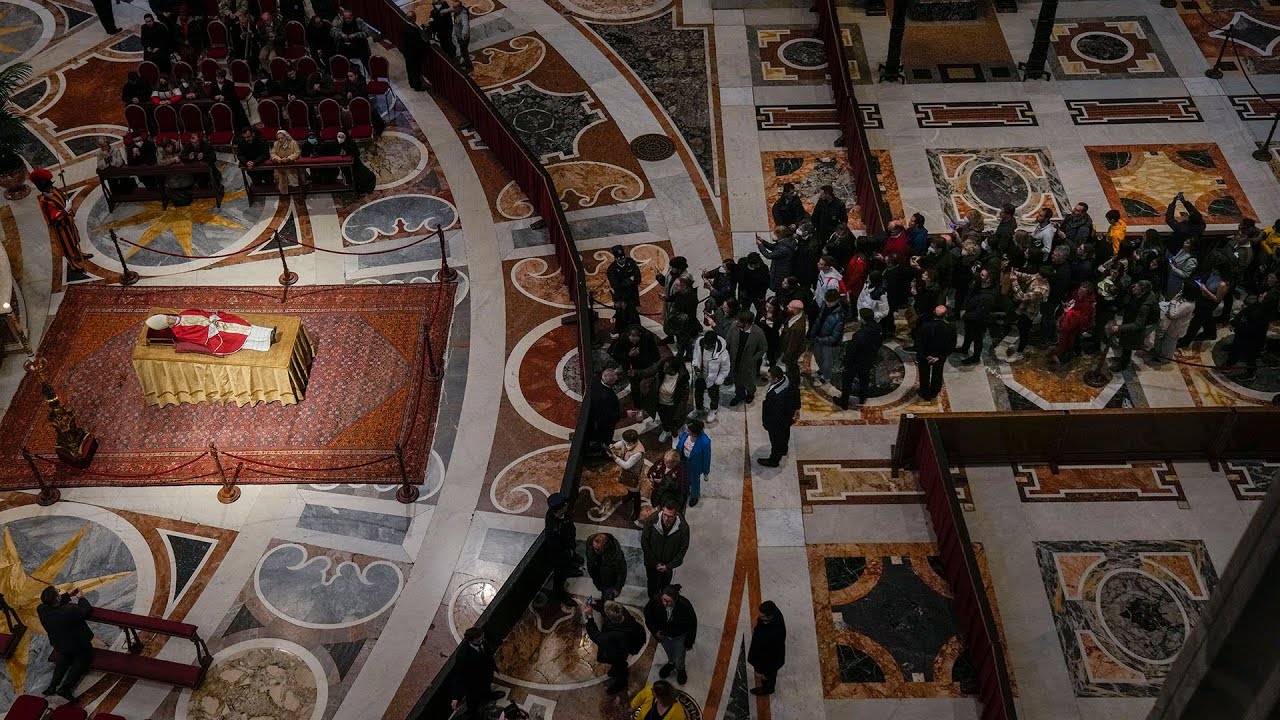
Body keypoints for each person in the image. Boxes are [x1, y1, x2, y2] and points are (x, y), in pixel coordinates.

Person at [31, 169, 92, 275]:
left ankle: (78, 253)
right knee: (66, 245)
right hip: (60, 228)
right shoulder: (44, 202)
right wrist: (65, 211)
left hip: (68, 222)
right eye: (48, 186)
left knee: (74, 239)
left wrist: (69, 208)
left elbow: (63, 198)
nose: (51, 188)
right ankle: (73, 263)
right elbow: (52, 219)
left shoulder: (54, 189)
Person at [38, 587, 93, 701]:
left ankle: (52, 686)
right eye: (58, 592)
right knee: (82, 660)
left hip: (59, 643)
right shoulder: (70, 610)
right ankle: (66, 688)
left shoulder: (41, 609)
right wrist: (81, 598)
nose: (59, 592)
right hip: (78, 644)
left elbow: (54, 606)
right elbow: (86, 610)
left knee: (64, 657)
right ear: (57, 597)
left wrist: (67, 596)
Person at [146, 310, 276, 355]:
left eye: (169, 316)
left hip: (215, 322)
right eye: (169, 321)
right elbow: (197, 337)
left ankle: (268, 332)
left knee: (241, 324)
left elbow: (201, 313)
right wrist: (212, 328)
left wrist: (212, 317)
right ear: (167, 325)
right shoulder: (178, 332)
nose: (172, 318)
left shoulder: (183, 314)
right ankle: (266, 341)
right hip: (213, 335)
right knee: (236, 336)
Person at [585, 600, 645, 693]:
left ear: (609, 617)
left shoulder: (613, 635)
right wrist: (594, 604)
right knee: (618, 664)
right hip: (628, 644)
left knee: (620, 665)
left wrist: (590, 617)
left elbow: (595, 636)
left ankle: (621, 683)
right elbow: (607, 608)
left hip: (618, 651)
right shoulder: (622, 612)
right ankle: (616, 669)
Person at [644, 585, 697, 685]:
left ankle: (680, 669)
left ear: (675, 600)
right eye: (663, 599)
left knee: (680, 655)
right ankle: (671, 663)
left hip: (679, 636)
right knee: (669, 651)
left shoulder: (685, 606)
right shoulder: (656, 600)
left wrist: (689, 642)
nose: (664, 603)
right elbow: (648, 615)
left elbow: (692, 624)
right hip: (663, 635)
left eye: (668, 602)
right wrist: (655, 631)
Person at [449, 627, 502, 718]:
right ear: (470, 641)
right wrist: (455, 697)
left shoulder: (483, 641)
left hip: (486, 673)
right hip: (473, 682)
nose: (482, 640)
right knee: (473, 700)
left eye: (482, 638)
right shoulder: (463, 655)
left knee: (487, 687)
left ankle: (489, 696)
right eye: (479, 640)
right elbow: (458, 675)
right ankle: (473, 714)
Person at [641, 499, 689, 599]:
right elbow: (645, 543)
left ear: (676, 514)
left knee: (665, 587)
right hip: (652, 564)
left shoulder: (683, 528)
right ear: (662, 510)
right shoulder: (651, 521)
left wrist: (669, 566)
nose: (666, 519)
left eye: (670, 516)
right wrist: (655, 563)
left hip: (668, 565)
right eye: (665, 515)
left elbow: (682, 550)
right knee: (652, 586)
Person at [1107, 280, 1158, 371]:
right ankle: (1122, 358)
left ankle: (1123, 364)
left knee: (1128, 345)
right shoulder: (1138, 295)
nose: (1133, 289)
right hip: (1131, 319)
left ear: (1143, 291)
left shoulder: (1145, 306)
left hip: (1137, 327)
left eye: (1136, 288)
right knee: (1125, 342)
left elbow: (1138, 324)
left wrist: (1120, 327)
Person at [839, 307, 884, 409]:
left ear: (863, 319)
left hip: (856, 362)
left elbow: (851, 352)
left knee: (847, 380)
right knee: (864, 377)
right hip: (870, 358)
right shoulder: (879, 329)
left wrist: (845, 362)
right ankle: (863, 396)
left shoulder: (859, 335)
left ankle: (844, 401)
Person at [758, 365, 799, 467]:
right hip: (788, 416)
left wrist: (766, 424)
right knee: (785, 434)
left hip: (778, 421)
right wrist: (797, 408)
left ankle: (774, 460)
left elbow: (772, 413)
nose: (767, 378)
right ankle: (783, 449)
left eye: (769, 377)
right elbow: (797, 392)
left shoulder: (775, 396)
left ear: (776, 379)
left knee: (775, 441)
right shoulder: (788, 378)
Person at [1047, 283, 1096, 364]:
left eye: (1082, 291)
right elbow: (1072, 302)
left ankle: (1062, 355)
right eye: (1079, 290)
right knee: (1064, 339)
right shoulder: (1076, 295)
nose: (1079, 292)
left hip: (1074, 325)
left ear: (1087, 293)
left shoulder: (1088, 304)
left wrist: (1071, 313)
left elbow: (1085, 319)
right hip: (1068, 321)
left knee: (1068, 340)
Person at [915, 305, 956, 401]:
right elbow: (951, 345)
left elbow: (919, 342)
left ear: (934, 313)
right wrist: (939, 357)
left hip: (925, 355)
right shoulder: (951, 328)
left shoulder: (925, 326)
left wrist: (925, 356)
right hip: (939, 356)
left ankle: (924, 392)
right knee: (938, 371)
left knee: (924, 373)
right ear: (946, 315)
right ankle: (934, 391)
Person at [1007, 265, 1049, 359]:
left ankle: (1020, 352)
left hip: (1030, 311)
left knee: (1024, 330)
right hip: (1023, 307)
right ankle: (1019, 345)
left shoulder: (1041, 290)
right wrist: (1016, 273)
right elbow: (1028, 276)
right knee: (1019, 326)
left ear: (1044, 278)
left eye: (1039, 275)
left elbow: (1022, 297)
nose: (1036, 275)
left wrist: (1014, 281)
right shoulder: (1038, 276)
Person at [545, 492, 581, 602]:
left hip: (569, 546)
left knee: (570, 562)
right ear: (560, 509)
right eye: (565, 504)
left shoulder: (559, 514)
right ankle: (560, 595)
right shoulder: (554, 529)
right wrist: (568, 553)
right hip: (560, 556)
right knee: (560, 576)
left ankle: (570, 570)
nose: (567, 505)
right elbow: (556, 548)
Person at [958, 267, 997, 365]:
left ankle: (976, 357)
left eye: (982, 275)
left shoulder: (989, 296)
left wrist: (965, 315)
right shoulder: (977, 284)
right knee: (968, 333)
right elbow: (968, 295)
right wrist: (963, 308)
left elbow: (980, 313)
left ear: (988, 279)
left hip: (977, 321)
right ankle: (964, 348)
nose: (979, 276)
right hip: (968, 315)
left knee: (977, 338)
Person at [727, 310, 766, 406]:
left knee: (748, 382)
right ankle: (739, 395)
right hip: (734, 361)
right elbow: (728, 340)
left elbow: (763, 348)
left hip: (748, 364)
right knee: (736, 380)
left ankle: (750, 393)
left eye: (739, 321)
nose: (737, 322)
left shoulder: (758, 333)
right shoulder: (734, 326)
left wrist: (753, 359)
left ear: (746, 323)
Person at [1151, 280, 1195, 364]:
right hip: (1169, 323)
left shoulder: (1188, 305)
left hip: (1175, 327)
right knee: (1161, 338)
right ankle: (1158, 352)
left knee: (1169, 343)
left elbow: (1173, 314)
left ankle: (1164, 358)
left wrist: (1172, 303)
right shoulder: (1182, 295)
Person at [747, 601, 786, 696]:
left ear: (770, 616)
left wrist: (766, 673)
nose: (760, 618)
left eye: (763, 617)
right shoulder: (773, 613)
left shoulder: (776, 634)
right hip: (762, 652)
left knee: (768, 678)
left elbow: (774, 657)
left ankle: (767, 689)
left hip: (767, 661)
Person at [586, 367, 626, 456]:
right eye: (615, 381)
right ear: (611, 383)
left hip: (597, 416)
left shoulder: (596, 381)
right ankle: (605, 453)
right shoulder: (606, 397)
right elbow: (609, 415)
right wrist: (625, 414)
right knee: (606, 437)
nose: (616, 382)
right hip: (604, 422)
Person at [690, 331, 728, 422]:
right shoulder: (700, 343)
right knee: (698, 394)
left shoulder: (723, 353)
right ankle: (699, 409)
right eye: (706, 344)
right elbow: (695, 355)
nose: (706, 346)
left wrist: (719, 380)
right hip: (700, 376)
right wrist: (695, 365)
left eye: (709, 345)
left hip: (713, 379)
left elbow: (725, 368)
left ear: (714, 343)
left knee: (714, 396)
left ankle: (713, 410)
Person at [608, 429, 645, 521]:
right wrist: (614, 445)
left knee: (635, 492)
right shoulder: (628, 442)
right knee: (628, 486)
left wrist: (614, 458)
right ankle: (629, 495)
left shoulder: (638, 453)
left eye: (625, 441)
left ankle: (637, 508)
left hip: (633, 474)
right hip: (627, 472)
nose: (623, 441)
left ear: (632, 442)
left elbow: (627, 465)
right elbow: (621, 442)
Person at [811, 288, 844, 386]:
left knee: (827, 361)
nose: (828, 303)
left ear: (836, 300)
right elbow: (819, 319)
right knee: (817, 356)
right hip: (819, 337)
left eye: (831, 302)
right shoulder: (825, 305)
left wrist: (820, 339)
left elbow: (835, 336)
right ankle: (821, 370)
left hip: (829, 343)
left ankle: (826, 377)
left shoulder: (840, 316)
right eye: (827, 300)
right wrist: (813, 332)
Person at [673, 419, 710, 507]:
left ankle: (694, 495)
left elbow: (707, 458)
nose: (686, 430)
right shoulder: (685, 435)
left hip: (695, 466)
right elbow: (679, 445)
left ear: (694, 432)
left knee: (694, 481)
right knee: (684, 478)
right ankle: (684, 492)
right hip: (684, 461)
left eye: (688, 429)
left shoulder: (705, 442)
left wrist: (706, 472)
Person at [654, 358, 689, 444]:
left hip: (673, 405)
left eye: (667, 368)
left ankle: (675, 436)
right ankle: (666, 431)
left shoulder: (682, 378)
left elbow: (683, 398)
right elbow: (649, 371)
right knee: (663, 418)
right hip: (661, 402)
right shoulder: (662, 373)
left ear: (673, 370)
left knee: (673, 422)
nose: (664, 369)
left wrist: (679, 411)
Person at [585, 532, 627, 601]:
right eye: (594, 548)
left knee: (607, 598)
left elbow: (622, 571)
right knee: (601, 589)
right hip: (597, 575)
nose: (595, 551)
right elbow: (590, 561)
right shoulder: (590, 543)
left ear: (605, 546)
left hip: (609, 581)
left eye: (598, 549)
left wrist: (617, 588)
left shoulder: (615, 554)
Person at [756, 229, 796, 294]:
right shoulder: (785, 242)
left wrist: (760, 245)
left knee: (780, 290)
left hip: (781, 272)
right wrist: (763, 242)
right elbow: (773, 247)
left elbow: (768, 255)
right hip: (780, 269)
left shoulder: (784, 249)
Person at [607, 244, 642, 311]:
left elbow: (638, 278)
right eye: (619, 258)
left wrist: (624, 283)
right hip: (620, 296)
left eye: (623, 257)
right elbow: (615, 285)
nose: (622, 260)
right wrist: (629, 280)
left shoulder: (631, 262)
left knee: (635, 313)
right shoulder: (611, 269)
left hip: (633, 294)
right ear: (615, 258)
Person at [779, 299, 807, 382]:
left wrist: (786, 356)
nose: (787, 307)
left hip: (793, 351)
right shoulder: (798, 314)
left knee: (791, 365)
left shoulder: (797, 328)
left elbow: (793, 344)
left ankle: (793, 380)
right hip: (792, 346)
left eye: (790, 307)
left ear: (796, 310)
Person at [402, 11, 430, 91]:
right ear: (413, 18)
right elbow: (417, 44)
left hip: (407, 52)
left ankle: (411, 83)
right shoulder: (411, 31)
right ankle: (417, 86)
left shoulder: (405, 25)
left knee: (410, 68)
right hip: (413, 54)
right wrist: (426, 44)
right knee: (416, 70)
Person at [448, 0, 473, 70]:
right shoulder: (457, 12)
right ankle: (464, 61)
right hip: (459, 34)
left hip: (463, 36)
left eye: (455, 7)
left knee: (464, 50)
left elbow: (465, 25)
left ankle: (468, 65)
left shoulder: (463, 14)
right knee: (463, 49)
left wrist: (463, 34)